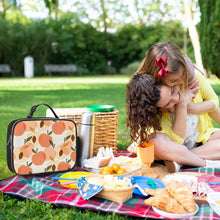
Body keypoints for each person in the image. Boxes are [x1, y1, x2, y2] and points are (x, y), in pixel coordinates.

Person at [126, 73, 220, 172]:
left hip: (200, 141)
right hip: (173, 146)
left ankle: (180, 160)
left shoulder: (192, 80)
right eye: (167, 104)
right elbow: (177, 141)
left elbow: (213, 106)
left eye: (172, 91)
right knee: (155, 142)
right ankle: (204, 162)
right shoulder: (157, 103)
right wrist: (181, 105)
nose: (176, 99)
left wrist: (191, 107)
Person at [136, 41, 220, 125]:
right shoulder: (150, 91)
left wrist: (187, 107)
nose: (181, 82)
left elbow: (213, 101)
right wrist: (179, 107)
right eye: (173, 81)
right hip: (171, 133)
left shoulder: (191, 77)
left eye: (183, 76)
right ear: (159, 77)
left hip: (201, 131)